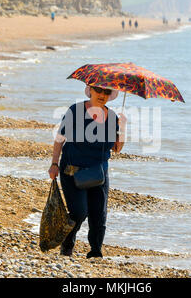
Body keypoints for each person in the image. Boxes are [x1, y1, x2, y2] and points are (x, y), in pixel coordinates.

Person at [49, 85, 127, 258]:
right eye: (99, 90)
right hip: (72, 170)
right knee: (79, 212)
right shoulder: (75, 110)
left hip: (99, 172)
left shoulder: (113, 116)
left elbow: (117, 148)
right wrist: (54, 163)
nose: (102, 95)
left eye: (107, 92)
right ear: (90, 90)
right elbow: (59, 139)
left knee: (99, 215)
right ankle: (67, 243)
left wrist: (122, 127)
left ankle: (95, 251)